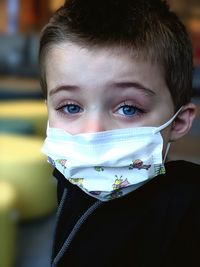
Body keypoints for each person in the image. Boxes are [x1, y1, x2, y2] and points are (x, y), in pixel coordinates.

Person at [39, 0, 200, 266]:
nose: (92, 134)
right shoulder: (70, 175)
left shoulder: (189, 208)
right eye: (70, 107)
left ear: (179, 121)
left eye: (127, 109)